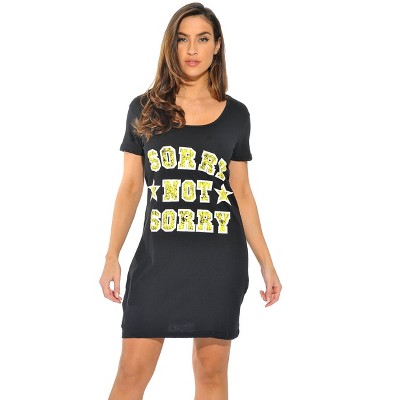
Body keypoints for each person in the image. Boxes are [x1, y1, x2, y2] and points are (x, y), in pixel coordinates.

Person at [99, 2, 282, 399]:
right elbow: (130, 188)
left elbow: (242, 193)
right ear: (172, 45)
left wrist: (266, 262)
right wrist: (112, 255)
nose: (192, 49)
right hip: (157, 263)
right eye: (183, 39)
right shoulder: (144, 108)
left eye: (202, 38)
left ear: (217, 45)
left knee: (211, 374)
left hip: (218, 264)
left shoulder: (236, 115)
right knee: (131, 373)